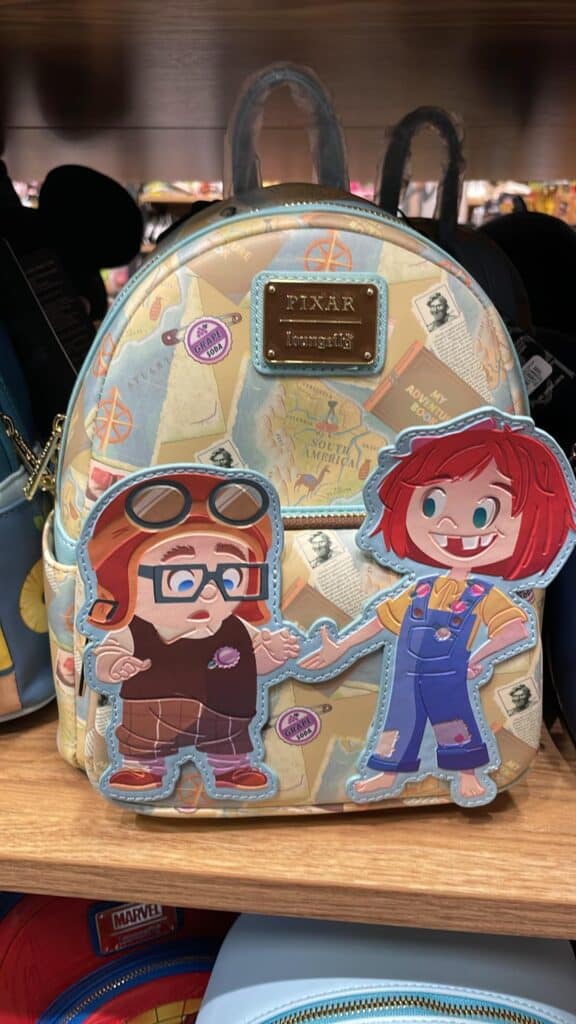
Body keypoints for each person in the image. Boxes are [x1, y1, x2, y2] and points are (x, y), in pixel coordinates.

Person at [300, 416, 576, 804]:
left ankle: (466, 773)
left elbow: (516, 628)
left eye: (482, 514)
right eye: (431, 504)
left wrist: (479, 656)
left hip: (450, 671)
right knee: (399, 719)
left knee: (454, 718)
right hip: (407, 671)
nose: (448, 522)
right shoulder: (420, 588)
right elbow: (382, 620)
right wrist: (342, 647)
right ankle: (386, 772)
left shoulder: (482, 592)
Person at [82, 471, 300, 797]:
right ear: (123, 581)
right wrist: (113, 665)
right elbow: (106, 652)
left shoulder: (237, 627)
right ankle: (142, 769)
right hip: (152, 710)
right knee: (143, 741)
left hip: (224, 712)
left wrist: (273, 653)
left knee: (228, 742)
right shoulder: (136, 629)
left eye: (229, 578)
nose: (211, 592)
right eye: (183, 580)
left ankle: (232, 769)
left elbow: (257, 663)